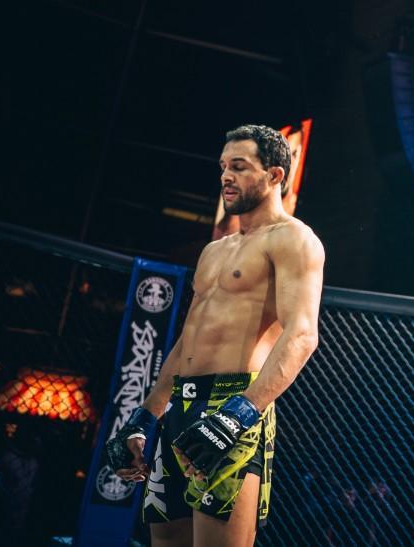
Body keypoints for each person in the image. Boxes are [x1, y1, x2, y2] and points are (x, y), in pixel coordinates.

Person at [105, 124, 325, 546]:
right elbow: (189, 343)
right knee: (165, 540)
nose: (225, 176)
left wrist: (239, 415)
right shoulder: (214, 250)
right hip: (180, 408)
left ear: (275, 175)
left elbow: (301, 335)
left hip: (234, 403)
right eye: (223, 167)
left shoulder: (294, 239)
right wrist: (144, 417)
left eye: (239, 167)